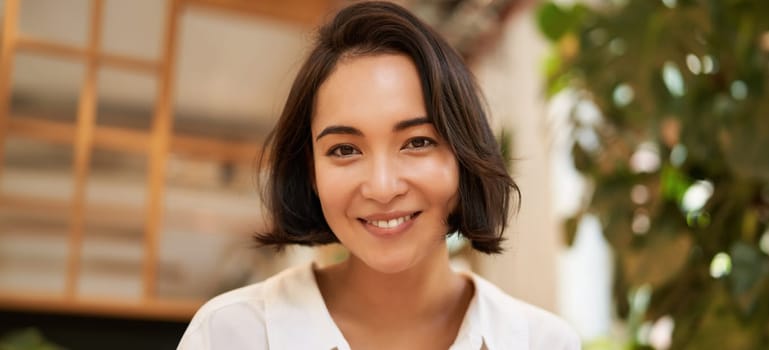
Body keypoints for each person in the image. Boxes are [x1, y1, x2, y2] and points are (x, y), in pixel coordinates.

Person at [177, 1, 580, 349]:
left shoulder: (542, 342)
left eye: (418, 142)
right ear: (311, 172)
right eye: (345, 150)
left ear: (464, 154)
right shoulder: (231, 335)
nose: (383, 188)